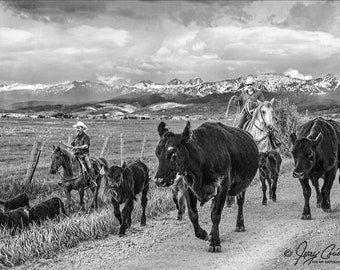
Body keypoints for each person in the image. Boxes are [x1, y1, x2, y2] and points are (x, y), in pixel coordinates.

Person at [235, 76, 281, 149]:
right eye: (248, 85)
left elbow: (262, 103)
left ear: (253, 85)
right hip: (246, 114)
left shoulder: (259, 93)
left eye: (251, 84)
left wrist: (256, 107)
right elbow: (238, 102)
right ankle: (238, 144)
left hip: (257, 113)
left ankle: (273, 141)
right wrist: (236, 101)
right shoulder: (243, 94)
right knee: (239, 127)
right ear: (246, 85)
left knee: (268, 126)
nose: (249, 86)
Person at [61, 121, 97, 188]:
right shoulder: (76, 138)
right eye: (77, 128)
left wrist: (77, 147)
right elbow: (71, 145)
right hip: (76, 155)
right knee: (67, 164)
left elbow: (86, 146)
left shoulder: (86, 137)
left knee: (89, 166)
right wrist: (65, 145)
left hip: (84, 155)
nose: (77, 129)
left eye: (79, 128)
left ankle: (93, 181)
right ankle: (64, 180)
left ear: (83, 128)